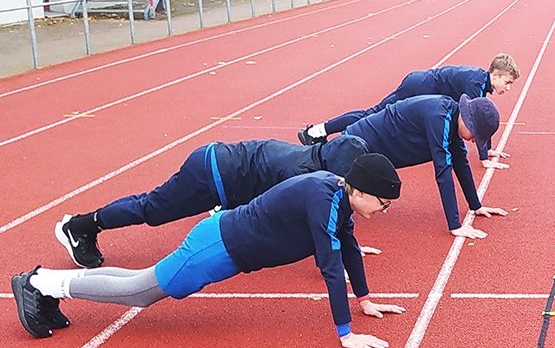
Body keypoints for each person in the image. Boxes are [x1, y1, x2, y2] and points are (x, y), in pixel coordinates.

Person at [13, 154, 406, 348]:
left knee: (143, 282)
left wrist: (366, 299)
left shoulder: (336, 196)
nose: (383, 211)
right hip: (217, 246)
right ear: (361, 190)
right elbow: (331, 267)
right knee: (141, 291)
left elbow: (349, 248)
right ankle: (39, 283)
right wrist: (345, 333)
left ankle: (45, 284)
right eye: (384, 204)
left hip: (223, 242)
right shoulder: (325, 200)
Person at [53, 135, 369, 269]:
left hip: (225, 167)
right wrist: (333, 249)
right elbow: (310, 221)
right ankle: (79, 226)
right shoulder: (301, 173)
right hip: (211, 174)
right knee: (151, 209)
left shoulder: (316, 160)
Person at [298, 54, 520, 168]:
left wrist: (486, 149)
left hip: (420, 85)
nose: (507, 88)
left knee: (371, 114)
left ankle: (319, 132)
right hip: (417, 87)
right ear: (495, 74)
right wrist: (483, 157)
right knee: (370, 115)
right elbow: (473, 121)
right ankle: (317, 131)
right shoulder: (475, 83)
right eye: (507, 82)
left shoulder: (480, 82)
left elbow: (477, 120)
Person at [342, 94, 507, 239]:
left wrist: (475, 205)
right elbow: (443, 171)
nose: (473, 141)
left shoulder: (452, 120)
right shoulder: (439, 117)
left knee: (344, 196)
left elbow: (461, 163)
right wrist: (455, 225)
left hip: (376, 147)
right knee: (337, 194)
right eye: (475, 135)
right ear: (467, 121)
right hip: (357, 143)